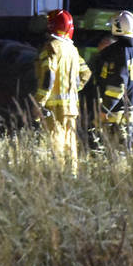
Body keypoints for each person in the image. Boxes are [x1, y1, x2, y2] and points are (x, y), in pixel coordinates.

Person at [32, 9, 91, 171]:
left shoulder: (51, 48)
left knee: (55, 144)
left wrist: (39, 102)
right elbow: (86, 73)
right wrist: (73, 89)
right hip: (72, 107)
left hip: (54, 108)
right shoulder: (73, 50)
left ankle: (56, 178)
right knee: (70, 143)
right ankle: (71, 176)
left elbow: (47, 79)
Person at [96, 10, 133, 146]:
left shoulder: (117, 52)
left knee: (115, 158)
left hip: (118, 118)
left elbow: (117, 86)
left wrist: (105, 110)